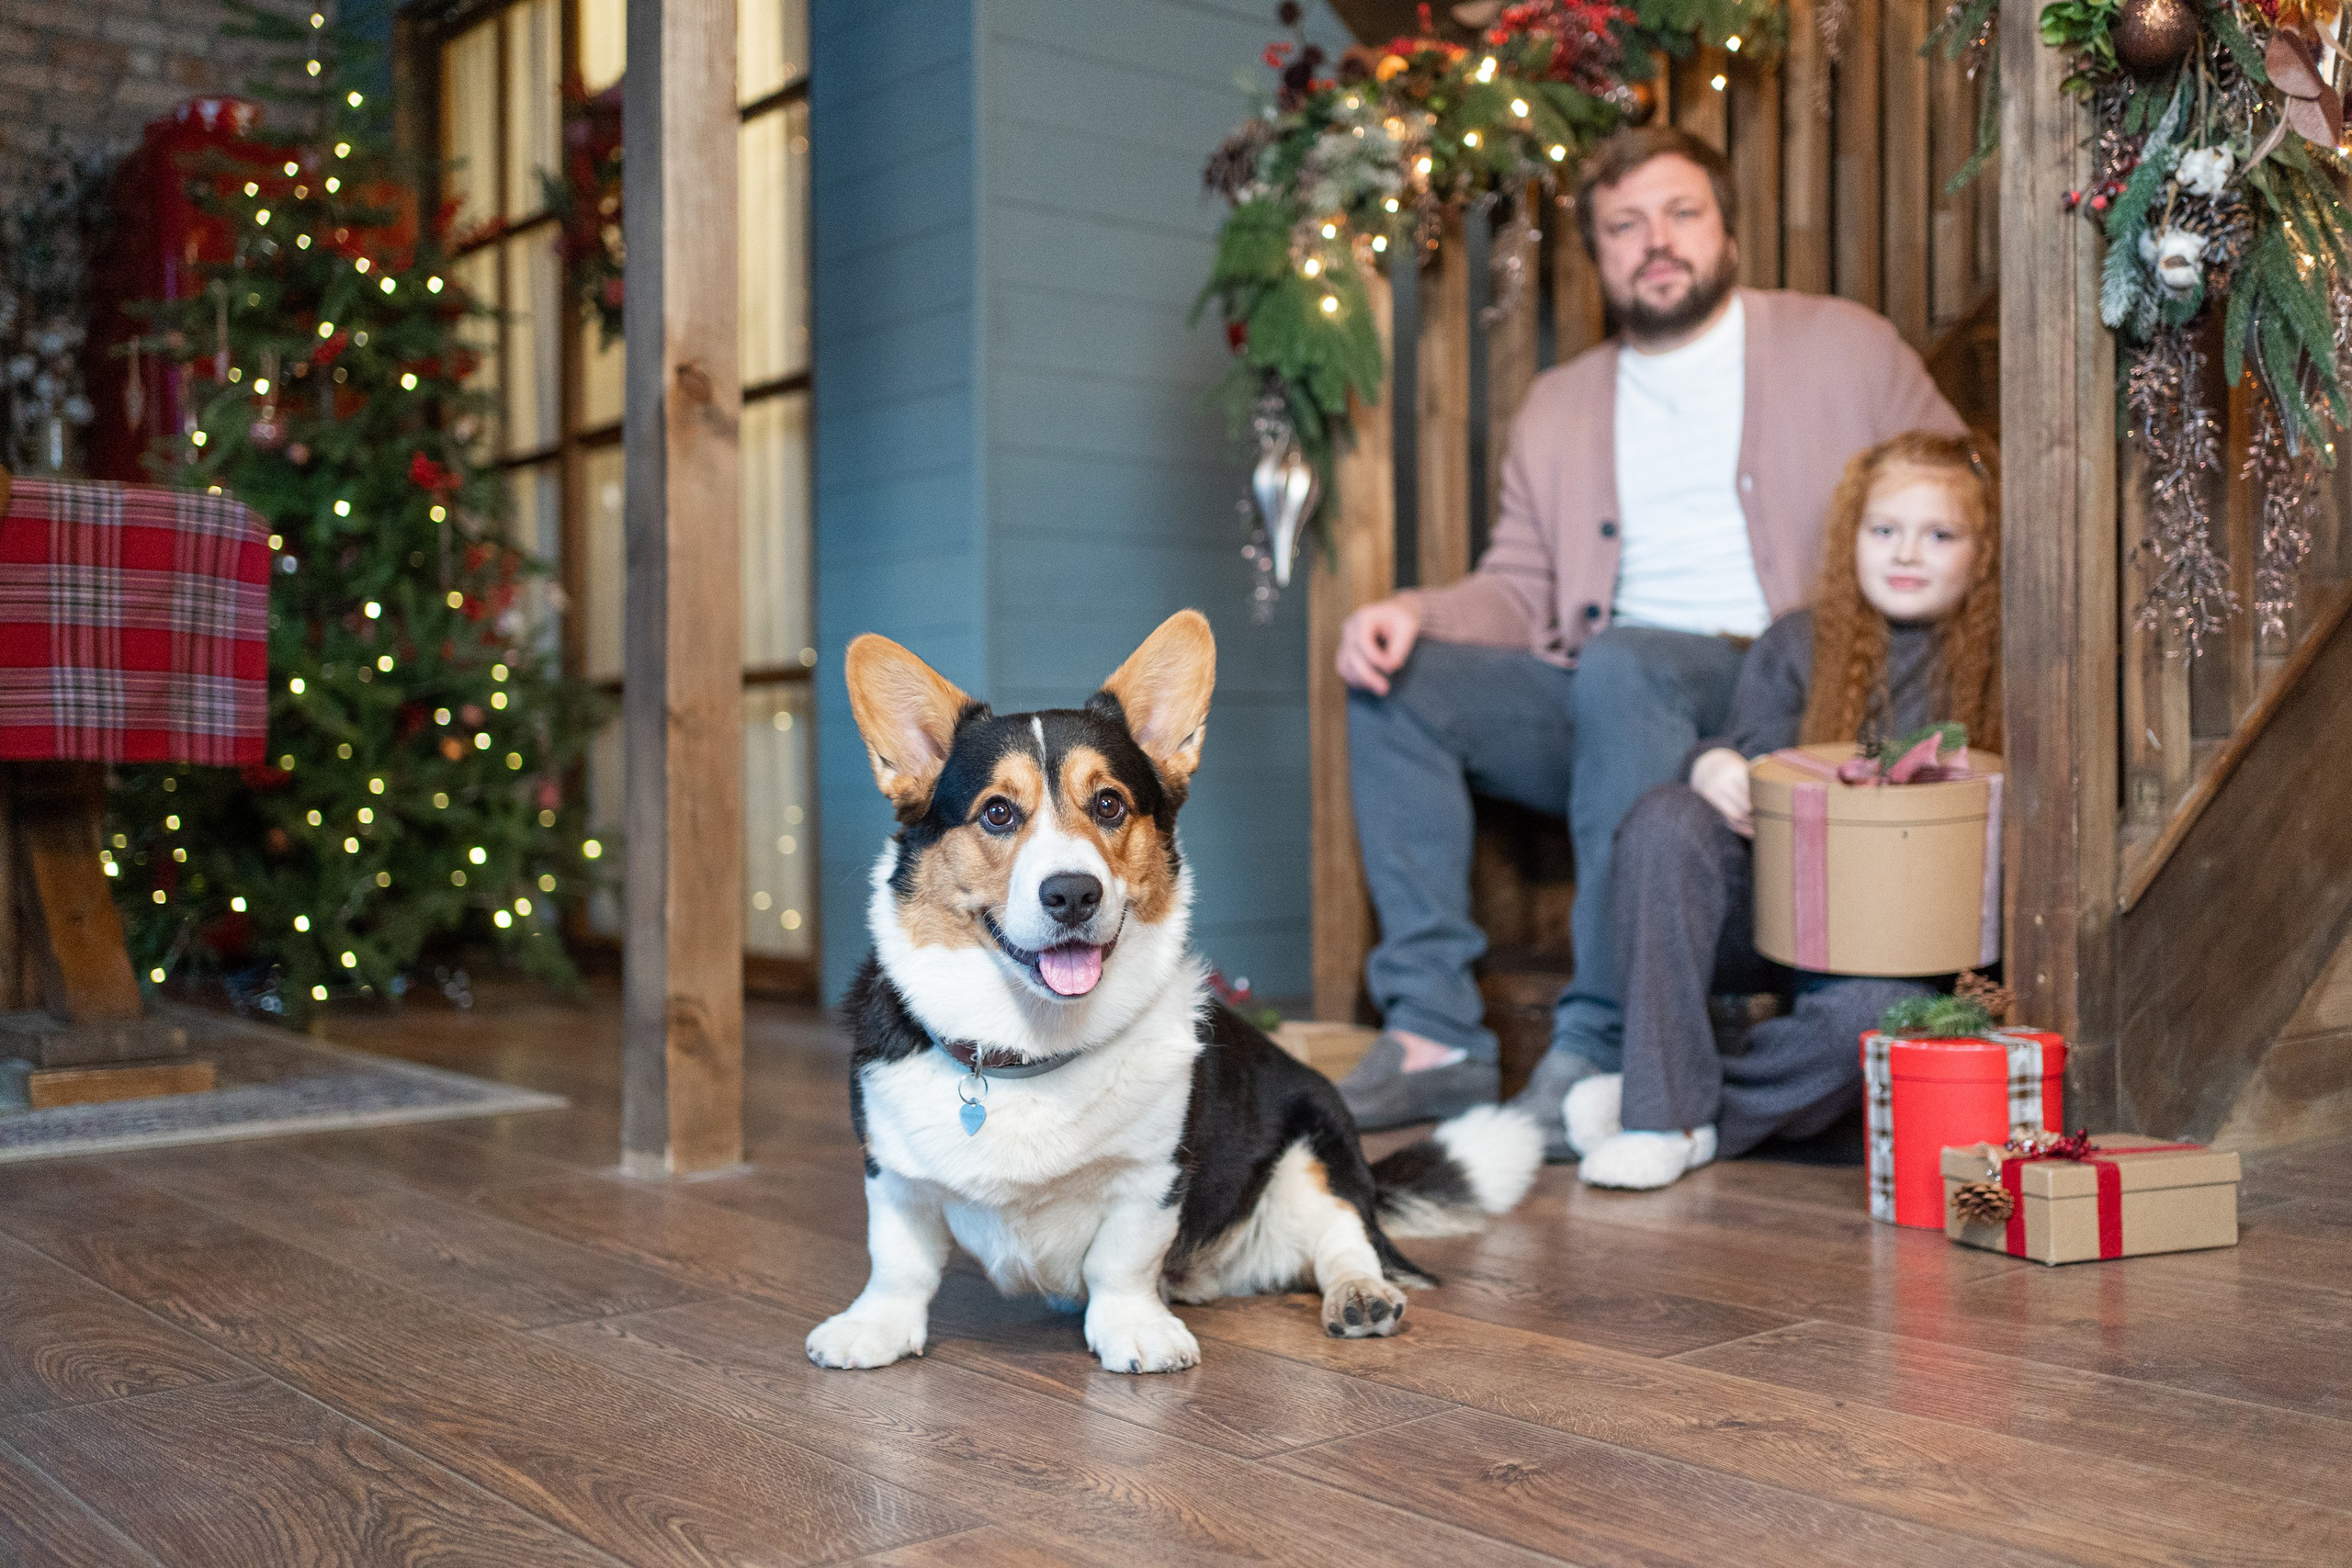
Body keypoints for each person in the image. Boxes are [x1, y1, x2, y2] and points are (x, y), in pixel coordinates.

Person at [1334, 124, 1966, 1144]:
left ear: (1725, 231)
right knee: (1397, 684)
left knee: (1624, 662)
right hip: (1607, 692)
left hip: (1781, 690)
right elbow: (1518, 587)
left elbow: (1962, 488)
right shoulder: (1559, 405)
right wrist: (1413, 615)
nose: (1654, 241)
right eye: (1623, 226)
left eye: (1680, 214)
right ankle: (1435, 1037)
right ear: (1598, 254)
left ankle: (1602, 1037)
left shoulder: (1844, 344)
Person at [1566, 431, 2002, 1189]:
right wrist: (1715, 764)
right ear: (1852, 538)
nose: (1906, 554)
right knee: (1666, 818)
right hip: (1781, 912)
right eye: (1884, 531)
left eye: (1939, 535)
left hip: (1906, 953)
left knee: (1870, 1023)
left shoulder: (2006, 660)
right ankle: (1660, 1117)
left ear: (1983, 550)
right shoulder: (1797, 642)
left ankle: (1680, 1103)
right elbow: (1752, 759)